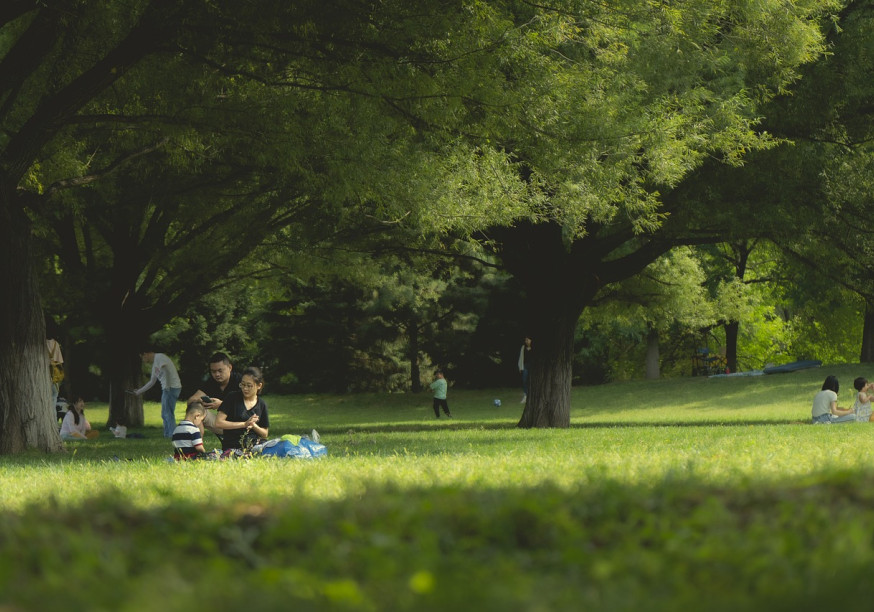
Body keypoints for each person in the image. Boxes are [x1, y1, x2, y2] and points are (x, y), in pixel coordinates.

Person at [186, 352, 243, 439]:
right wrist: (200, 401)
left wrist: (222, 405)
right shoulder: (211, 382)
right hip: (222, 424)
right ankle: (197, 446)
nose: (217, 374)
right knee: (195, 408)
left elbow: (249, 407)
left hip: (243, 425)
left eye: (220, 370)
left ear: (230, 367)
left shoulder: (241, 381)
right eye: (213, 371)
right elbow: (191, 400)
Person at [128, 349, 182, 438]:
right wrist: (138, 392)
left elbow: (166, 370)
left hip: (171, 388)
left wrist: (168, 386)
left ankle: (172, 435)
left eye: (142, 358)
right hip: (167, 389)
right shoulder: (155, 365)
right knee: (165, 413)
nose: (143, 361)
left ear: (145, 354)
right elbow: (152, 382)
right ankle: (167, 435)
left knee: (168, 413)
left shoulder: (160, 357)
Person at [214, 366, 270, 451]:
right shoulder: (232, 397)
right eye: (243, 384)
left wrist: (253, 425)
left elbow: (265, 434)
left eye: (249, 386)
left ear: (259, 386)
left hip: (255, 445)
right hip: (233, 446)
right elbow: (218, 423)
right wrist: (244, 424)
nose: (245, 388)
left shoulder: (262, 404)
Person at [46, 317, 64, 415]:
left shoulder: (40, 343)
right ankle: (53, 421)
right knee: (53, 398)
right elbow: (60, 361)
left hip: (43, 375)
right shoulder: (56, 344)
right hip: (54, 377)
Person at [518, 336, 532, 403]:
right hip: (525, 366)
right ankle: (526, 395)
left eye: (527, 340)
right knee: (524, 380)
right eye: (525, 340)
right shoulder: (523, 348)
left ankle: (532, 395)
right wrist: (520, 367)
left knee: (531, 381)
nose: (526, 341)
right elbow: (521, 357)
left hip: (532, 367)